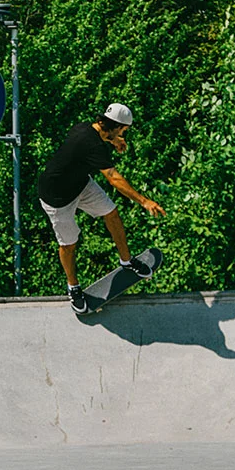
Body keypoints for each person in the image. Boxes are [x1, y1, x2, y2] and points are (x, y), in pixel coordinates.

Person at [38, 103, 166, 313]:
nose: (125, 134)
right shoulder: (92, 146)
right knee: (69, 245)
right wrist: (144, 201)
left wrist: (114, 139)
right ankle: (74, 288)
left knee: (112, 213)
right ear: (115, 125)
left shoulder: (85, 128)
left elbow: (100, 137)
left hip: (81, 184)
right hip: (57, 198)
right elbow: (114, 178)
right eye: (123, 130)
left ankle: (126, 261)